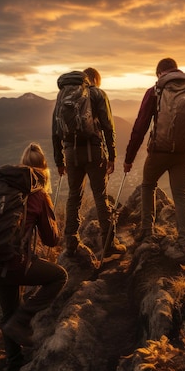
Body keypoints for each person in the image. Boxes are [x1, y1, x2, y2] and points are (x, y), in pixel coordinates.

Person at [0, 142, 68, 371]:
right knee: (59, 276)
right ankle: (23, 319)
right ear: (43, 169)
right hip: (15, 264)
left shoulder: (2, 187)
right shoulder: (39, 194)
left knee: (8, 313)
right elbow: (51, 240)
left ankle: (14, 370)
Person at [123, 58, 185, 263]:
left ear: (159, 73)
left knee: (148, 186)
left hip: (159, 151)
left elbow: (140, 125)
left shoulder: (155, 91)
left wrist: (129, 157)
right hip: (184, 153)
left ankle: (147, 232)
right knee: (181, 195)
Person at [52, 67, 126, 257]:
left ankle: (71, 243)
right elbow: (108, 126)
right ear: (94, 79)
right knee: (100, 196)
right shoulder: (97, 93)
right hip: (94, 152)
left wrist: (59, 160)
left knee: (74, 196)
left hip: (71, 153)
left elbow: (55, 130)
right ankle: (108, 244)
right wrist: (112, 155)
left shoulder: (62, 95)